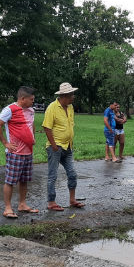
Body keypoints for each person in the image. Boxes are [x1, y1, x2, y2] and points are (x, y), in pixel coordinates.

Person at [0, 86, 39, 217]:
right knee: (10, 180)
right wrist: (5, 143)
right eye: (31, 99)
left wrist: (32, 138)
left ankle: (22, 204)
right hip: (15, 153)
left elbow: (32, 125)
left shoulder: (31, 110)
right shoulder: (10, 109)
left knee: (24, 180)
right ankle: (7, 208)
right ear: (22, 98)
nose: (33, 102)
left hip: (28, 152)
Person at [43, 82, 84, 211]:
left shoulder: (70, 107)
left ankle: (72, 200)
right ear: (65, 95)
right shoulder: (52, 107)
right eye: (72, 94)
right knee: (53, 175)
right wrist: (54, 146)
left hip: (68, 147)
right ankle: (51, 202)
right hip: (56, 147)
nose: (73, 97)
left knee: (72, 173)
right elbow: (47, 127)